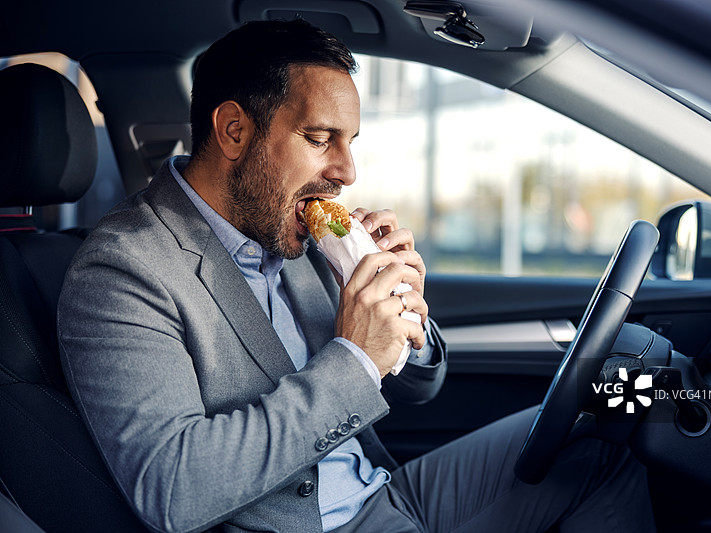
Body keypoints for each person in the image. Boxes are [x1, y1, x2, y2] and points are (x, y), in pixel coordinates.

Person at [58, 19, 656, 533]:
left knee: (600, 434)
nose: (346, 170)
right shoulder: (124, 271)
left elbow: (420, 387)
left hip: (383, 490)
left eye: (350, 142)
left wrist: (404, 312)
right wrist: (357, 357)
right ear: (234, 131)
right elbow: (174, 489)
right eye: (320, 140)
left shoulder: (289, 226)